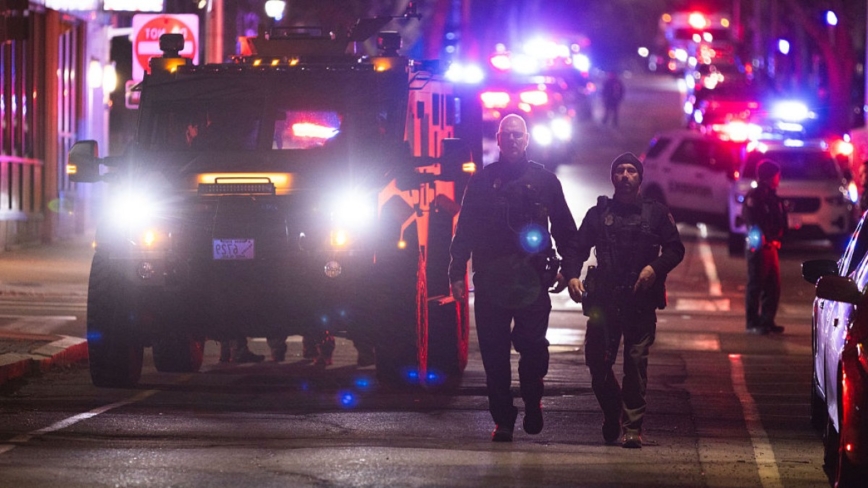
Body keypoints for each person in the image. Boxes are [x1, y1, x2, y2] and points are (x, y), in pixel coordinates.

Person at [449, 114, 578, 442]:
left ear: (527, 139)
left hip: (531, 281)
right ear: (498, 139)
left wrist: (570, 269)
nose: (512, 140)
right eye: (506, 134)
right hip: (491, 281)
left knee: (532, 347)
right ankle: (503, 420)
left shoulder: (546, 181)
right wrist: (456, 271)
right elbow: (465, 230)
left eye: (518, 135)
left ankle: (533, 400)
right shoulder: (481, 182)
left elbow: (565, 230)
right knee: (494, 355)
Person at [565, 152, 685, 448]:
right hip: (604, 301)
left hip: (639, 301)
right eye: (620, 170)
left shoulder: (656, 214)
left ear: (640, 177)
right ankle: (612, 410)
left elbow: (675, 249)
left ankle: (632, 426)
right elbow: (577, 248)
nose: (625, 176)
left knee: (635, 364)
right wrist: (572, 275)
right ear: (613, 177)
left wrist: (654, 269)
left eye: (631, 170)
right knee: (597, 364)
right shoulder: (598, 214)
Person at [743, 159, 787, 335]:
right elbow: (751, 220)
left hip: (771, 246)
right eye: (777, 175)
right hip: (760, 246)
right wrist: (759, 240)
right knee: (756, 284)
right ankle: (752, 322)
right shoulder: (755, 196)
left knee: (772, 286)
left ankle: (767, 321)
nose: (779, 179)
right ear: (770, 176)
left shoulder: (772, 196)